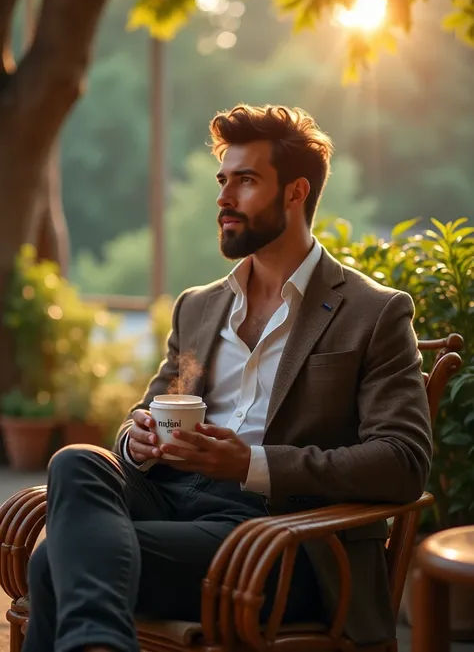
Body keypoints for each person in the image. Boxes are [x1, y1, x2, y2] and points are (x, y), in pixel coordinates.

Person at [23, 105, 433, 652]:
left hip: (279, 536)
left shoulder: (373, 312)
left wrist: (250, 464)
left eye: (245, 180)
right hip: (173, 499)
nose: (223, 197)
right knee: (78, 460)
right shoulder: (199, 307)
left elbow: (403, 461)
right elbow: (155, 406)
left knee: (58, 556)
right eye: (223, 179)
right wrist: (137, 439)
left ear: (295, 192)